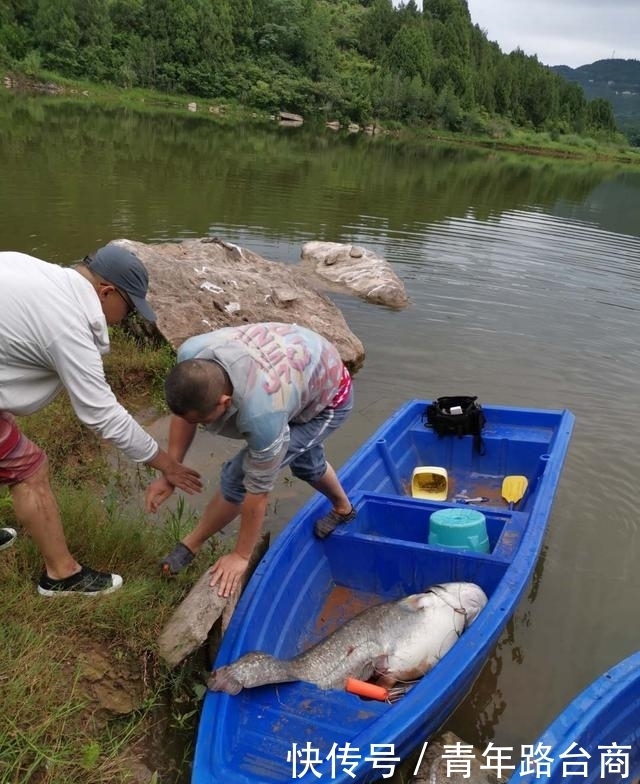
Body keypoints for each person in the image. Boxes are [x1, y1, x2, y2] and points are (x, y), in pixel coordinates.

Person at [0, 243, 202, 596]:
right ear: (105, 292)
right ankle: (61, 576)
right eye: (127, 309)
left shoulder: (36, 271)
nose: (125, 320)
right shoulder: (68, 324)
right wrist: (166, 464)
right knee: (28, 469)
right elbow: (101, 413)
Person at [145, 322, 356, 598]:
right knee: (306, 464)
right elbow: (186, 413)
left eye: (203, 421)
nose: (197, 424)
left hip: (328, 399)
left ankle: (190, 544)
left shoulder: (262, 416)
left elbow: (256, 491)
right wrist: (170, 469)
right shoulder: (192, 356)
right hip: (298, 375)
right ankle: (344, 508)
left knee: (238, 476)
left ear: (224, 401)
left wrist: (241, 555)